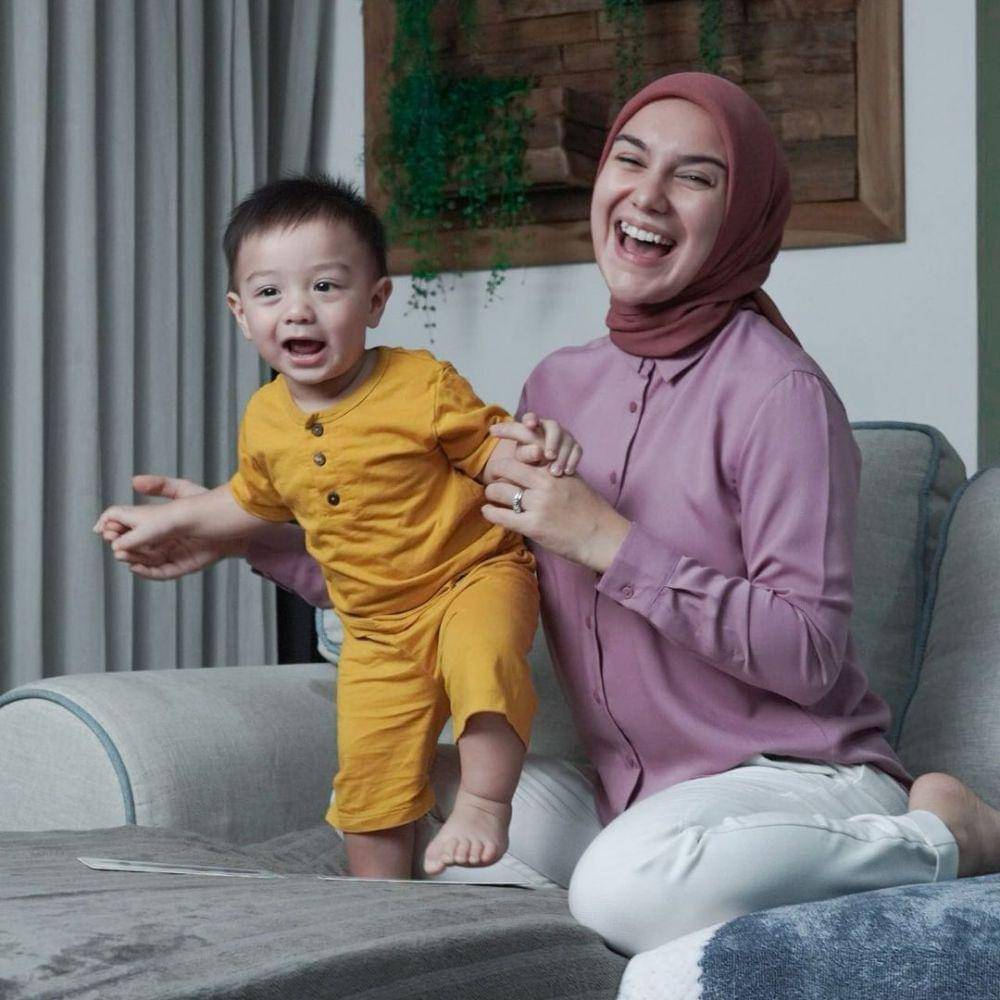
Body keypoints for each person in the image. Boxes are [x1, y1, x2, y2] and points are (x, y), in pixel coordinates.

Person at [114, 75, 1000, 956]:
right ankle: (651, 867)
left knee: (625, 888)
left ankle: (942, 836)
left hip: (790, 778)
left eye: (695, 176)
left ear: (741, 216)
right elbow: (440, 563)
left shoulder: (779, 391)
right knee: (405, 810)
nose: (648, 196)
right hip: (627, 794)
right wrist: (239, 534)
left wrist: (608, 541)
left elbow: (808, 655)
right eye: (630, 161)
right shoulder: (559, 387)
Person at [93, 175, 583, 882]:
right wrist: (169, 517)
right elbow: (251, 501)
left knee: (485, 661)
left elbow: (490, 452)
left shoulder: (421, 384)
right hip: (374, 627)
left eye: (325, 286)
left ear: (375, 301)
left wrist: (531, 452)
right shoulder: (265, 419)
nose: (298, 309)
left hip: (471, 576)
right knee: (369, 777)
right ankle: (378, 902)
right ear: (240, 314)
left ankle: (482, 803)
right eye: (270, 293)